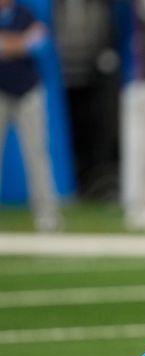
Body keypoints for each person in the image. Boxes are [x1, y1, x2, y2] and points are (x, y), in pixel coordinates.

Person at [0, 0, 62, 231]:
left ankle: (47, 215)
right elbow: (27, 43)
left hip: (28, 91)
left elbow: (40, 44)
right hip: (2, 91)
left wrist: (10, 44)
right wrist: (21, 42)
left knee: (37, 154)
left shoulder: (26, 14)